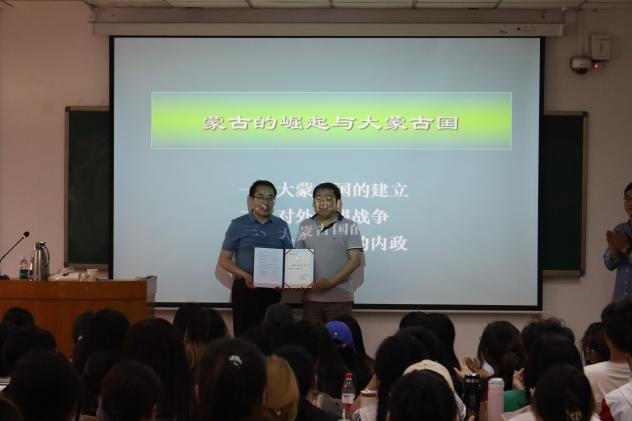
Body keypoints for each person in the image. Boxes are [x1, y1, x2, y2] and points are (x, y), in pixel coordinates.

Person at [218, 180, 293, 336]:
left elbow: (290, 258)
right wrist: (244, 275)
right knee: (245, 336)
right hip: (245, 289)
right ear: (251, 199)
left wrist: (285, 281)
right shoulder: (238, 224)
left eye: (270, 198)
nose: (266, 202)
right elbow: (224, 259)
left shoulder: (281, 225)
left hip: (272, 290)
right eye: (261, 197)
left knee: (272, 336)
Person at [295, 183, 363, 323]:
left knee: (338, 337)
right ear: (314, 203)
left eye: (328, 199)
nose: (323, 203)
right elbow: (297, 257)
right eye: (318, 198)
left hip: (339, 299)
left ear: (337, 202)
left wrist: (330, 282)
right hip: (311, 298)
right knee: (312, 336)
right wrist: (293, 280)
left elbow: (355, 260)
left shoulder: (350, 226)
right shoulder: (305, 225)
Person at [604, 182, 632, 302]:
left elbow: (625, 249)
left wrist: (626, 249)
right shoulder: (620, 229)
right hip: (619, 303)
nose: (630, 203)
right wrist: (614, 251)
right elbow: (609, 265)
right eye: (627, 198)